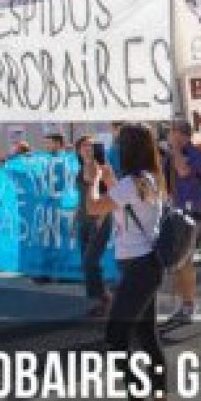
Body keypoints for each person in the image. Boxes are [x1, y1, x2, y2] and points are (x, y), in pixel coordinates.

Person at [85, 123, 170, 401]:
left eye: (120, 143)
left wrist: (92, 182)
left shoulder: (131, 183)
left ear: (129, 149)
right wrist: (109, 180)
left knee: (117, 337)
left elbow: (95, 208)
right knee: (147, 336)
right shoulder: (149, 179)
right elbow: (124, 202)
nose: (115, 147)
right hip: (146, 266)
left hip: (138, 269)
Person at [162, 121, 201, 326]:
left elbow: (183, 172)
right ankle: (182, 305)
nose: (169, 137)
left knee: (186, 260)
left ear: (182, 135)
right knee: (177, 261)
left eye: (172, 133)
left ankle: (189, 305)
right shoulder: (171, 155)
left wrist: (175, 150)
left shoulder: (195, 154)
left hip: (191, 211)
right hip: (175, 209)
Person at [75, 136, 114, 318]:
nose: (87, 148)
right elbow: (82, 196)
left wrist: (103, 217)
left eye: (90, 145)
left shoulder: (104, 169)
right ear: (78, 150)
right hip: (83, 220)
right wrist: (76, 217)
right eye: (83, 145)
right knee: (87, 262)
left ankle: (104, 299)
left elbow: (113, 195)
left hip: (100, 219)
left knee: (91, 260)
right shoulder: (80, 169)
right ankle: (102, 297)